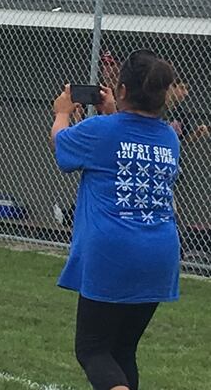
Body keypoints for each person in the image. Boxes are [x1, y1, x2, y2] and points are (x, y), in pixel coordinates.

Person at [51, 49, 180, 390]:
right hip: (160, 253)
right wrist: (113, 112)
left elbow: (63, 148)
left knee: (92, 349)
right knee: (123, 349)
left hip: (114, 252)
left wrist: (61, 113)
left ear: (122, 90)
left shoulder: (100, 129)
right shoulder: (169, 137)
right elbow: (133, 136)